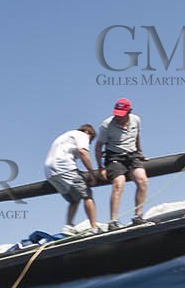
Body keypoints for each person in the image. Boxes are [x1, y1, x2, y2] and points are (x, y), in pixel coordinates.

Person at [95, 97, 149, 227]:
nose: (118, 117)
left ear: (129, 111)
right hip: (114, 156)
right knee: (119, 184)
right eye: (116, 114)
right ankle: (112, 221)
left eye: (121, 115)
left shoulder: (136, 120)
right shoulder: (106, 125)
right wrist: (100, 167)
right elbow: (98, 147)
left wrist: (140, 152)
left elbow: (136, 136)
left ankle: (138, 216)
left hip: (132, 155)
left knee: (142, 180)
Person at [43, 123, 101, 232]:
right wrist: (92, 173)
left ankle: (68, 226)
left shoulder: (66, 136)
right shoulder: (82, 135)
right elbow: (83, 153)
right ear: (89, 133)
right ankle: (94, 227)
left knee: (74, 199)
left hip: (50, 172)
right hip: (64, 167)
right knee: (87, 195)